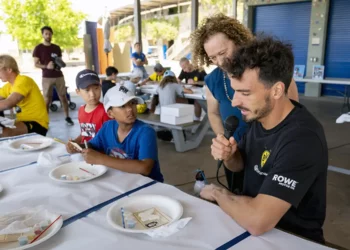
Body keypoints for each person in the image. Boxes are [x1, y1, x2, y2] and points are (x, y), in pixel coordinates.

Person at [201, 37, 328, 244]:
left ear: (277, 90)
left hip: (290, 239)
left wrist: (218, 193)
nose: (234, 101)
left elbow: (257, 221)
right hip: (249, 229)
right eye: (234, 91)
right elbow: (239, 166)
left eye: (245, 93)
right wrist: (230, 156)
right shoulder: (258, 118)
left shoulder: (302, 139)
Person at [190, 13, 299, 192]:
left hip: (269, 152)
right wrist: (223, 141)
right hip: (235, 153)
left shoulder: (269, 72)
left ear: (239, 41)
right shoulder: (213, 80)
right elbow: (213, 113)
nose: (220, 62)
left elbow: (292, 113)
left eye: (223, 53)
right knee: (237, 193)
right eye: (212, 58)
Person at [80, 85, 164, 182]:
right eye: (122, 106)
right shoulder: (108, 127)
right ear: (110, 113)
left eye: (132, 103)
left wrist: (100, 159)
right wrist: (77, 146)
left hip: (147, 186)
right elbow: (92, 145)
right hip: (120, 181)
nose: (130, 109)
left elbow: (145, 168)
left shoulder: (145, 132)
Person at [33, 26, 74, 126]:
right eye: (46, 33)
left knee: (63, 97)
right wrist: (46, 66)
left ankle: (67, 117)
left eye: (49, 33)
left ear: (52, 34)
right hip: (47, 77)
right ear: (42, 35)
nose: (48, 35)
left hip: (59, 76)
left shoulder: (56, 47)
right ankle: (45, 120)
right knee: (47, 99)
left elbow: (59, 60)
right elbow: (36, 64)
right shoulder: (38, 48)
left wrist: (61, 64)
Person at [0, 55, 49, 137]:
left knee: (3, 132)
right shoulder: (8, 86)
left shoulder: (23, 80)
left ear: (9, 69)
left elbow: (8, 103)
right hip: (21, 121)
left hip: (37, 123)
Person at [66, 69, 110, 154]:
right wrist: (75, 142)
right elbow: (85, 134)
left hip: (100, 157)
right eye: (87, 90)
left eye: (96, 88)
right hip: (85, 154)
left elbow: (109, 140)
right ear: (78, 91)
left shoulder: (106, 112)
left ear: (100, 87)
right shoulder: (81, 110)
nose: (92, 94)